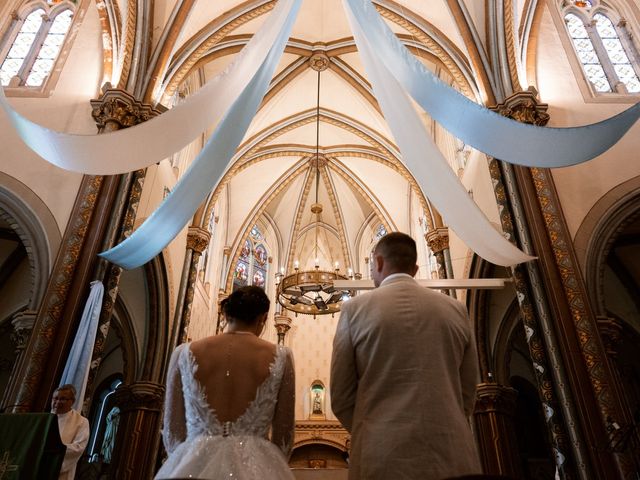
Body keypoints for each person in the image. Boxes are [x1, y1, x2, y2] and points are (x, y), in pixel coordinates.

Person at [330, 232, 481, 479]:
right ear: (416, 267)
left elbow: (341, 396)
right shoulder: (456, 309)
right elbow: (467, 391)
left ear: (378, 262)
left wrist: (372, 427)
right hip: (450, 451)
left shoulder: (354, 310)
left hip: (381, 454)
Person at [156, 285, 296, 479]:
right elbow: (284, 437)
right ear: (263, 317)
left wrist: (187, 458)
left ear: (225, 314)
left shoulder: (184, 353)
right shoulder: (282, 356)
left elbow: (172, 432)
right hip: (257, 467)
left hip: (193, 464)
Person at [51, 384, 90, 480]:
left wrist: (53, 451)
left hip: (62, 473)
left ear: (72, 401)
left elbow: (78, 447)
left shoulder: (81, 421)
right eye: (55, 398)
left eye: (63, 399)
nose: (57, 402)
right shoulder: (45, 419)